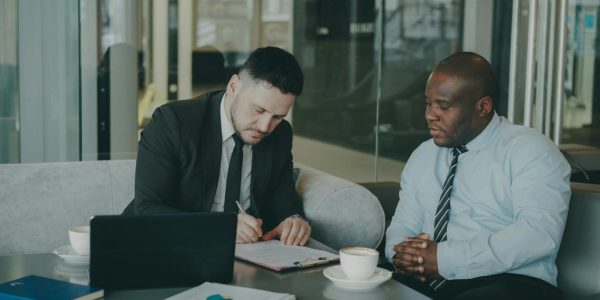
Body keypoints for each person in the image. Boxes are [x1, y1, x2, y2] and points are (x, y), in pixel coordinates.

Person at [385, 52, 571, 300]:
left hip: (512, 282)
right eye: (428, 103)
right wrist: (402, 256)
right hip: (427, 277)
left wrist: (444, 259)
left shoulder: (530, 151)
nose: (430, 114)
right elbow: (404, 224)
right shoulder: (424, 154)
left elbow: (538, 235)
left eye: (444, 106)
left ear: (483, 107)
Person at [123, 46, 311, 246]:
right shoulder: (173, 122)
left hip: (247, 256)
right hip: (167, 246)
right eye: (258, 109)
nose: (265, 126)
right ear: (233, 86)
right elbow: (148, 209)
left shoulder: (280, 134)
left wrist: (294, 221)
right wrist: (219, 227)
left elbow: (284, 202)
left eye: (278, 117)